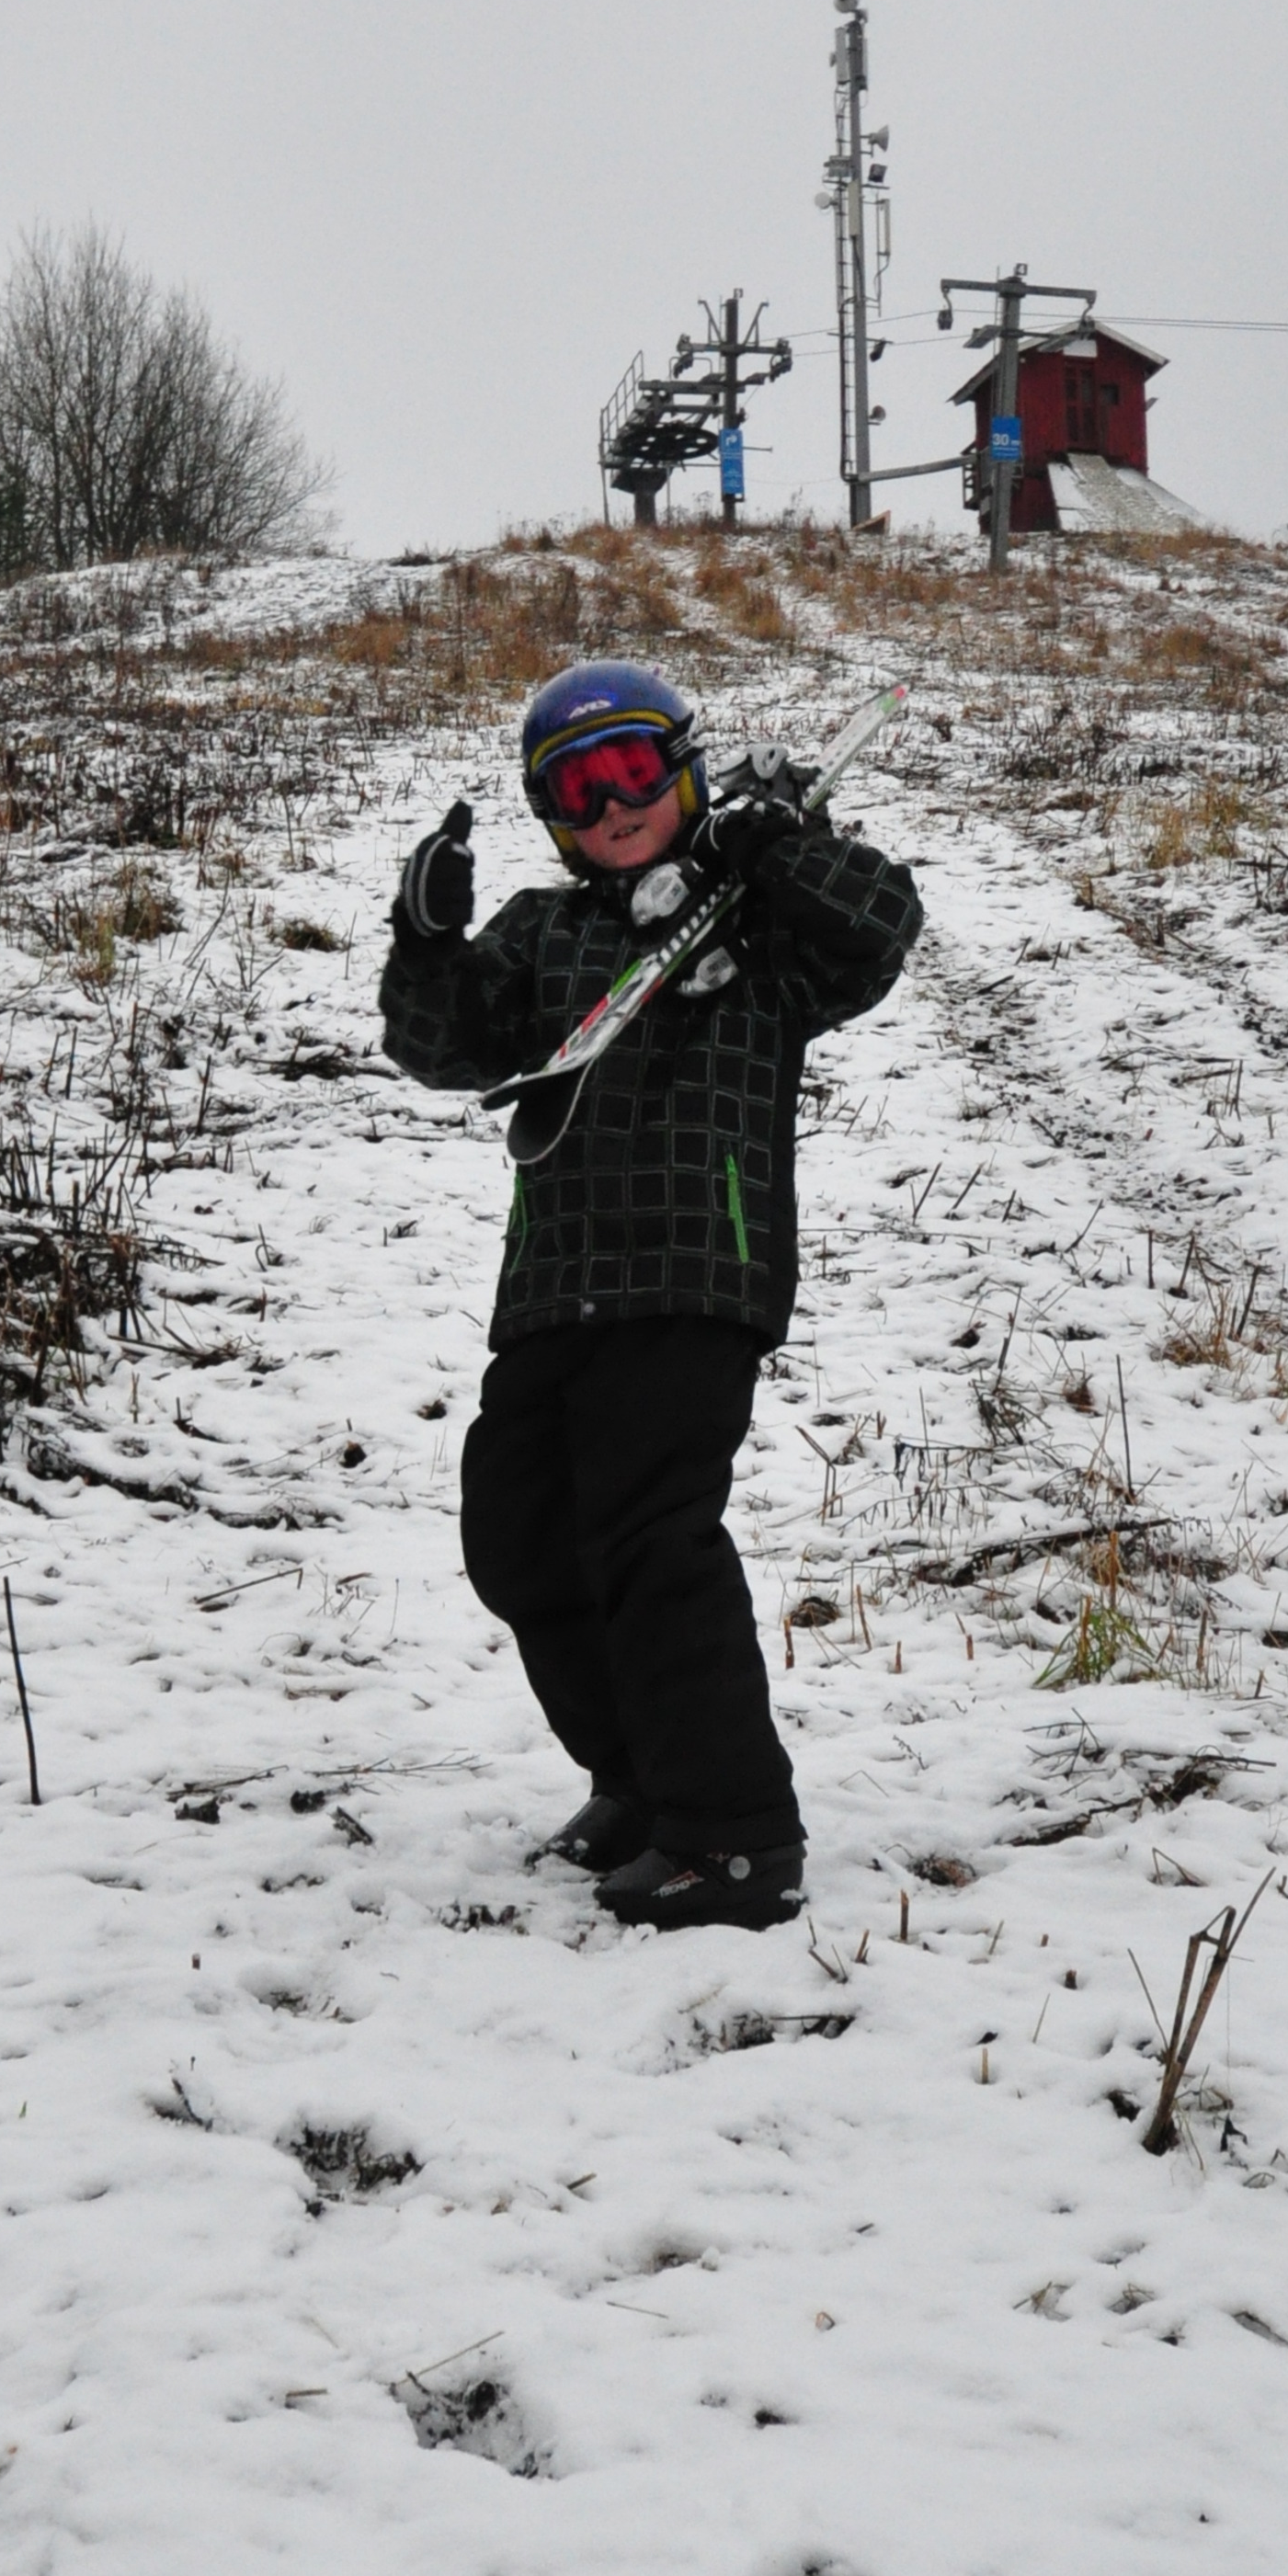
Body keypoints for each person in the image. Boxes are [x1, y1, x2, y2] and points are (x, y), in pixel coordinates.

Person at [380, 654, 920, 1932]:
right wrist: (426, 938)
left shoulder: (761, 924)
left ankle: (733, 1835)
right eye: (577, 789)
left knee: (651, 1545)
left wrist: (779, 848)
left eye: (631, 771)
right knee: (517, 1540)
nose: (612, 806)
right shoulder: (542, 931)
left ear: (683, 771)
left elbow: (882, 925)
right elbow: (442, 1046)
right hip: (553, 1286)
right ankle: (638, 1781)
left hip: (695, 1275)